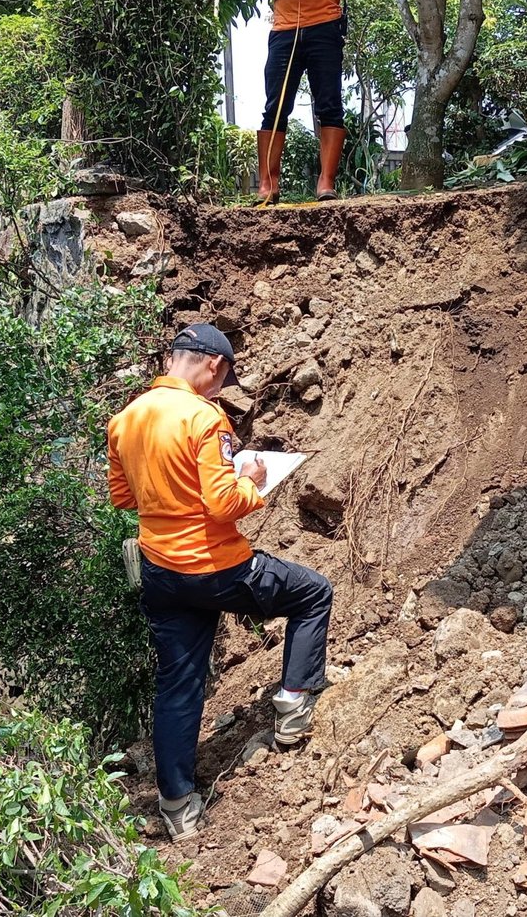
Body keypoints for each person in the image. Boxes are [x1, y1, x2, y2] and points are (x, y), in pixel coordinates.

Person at [106, 324, 334, 842]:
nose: (220, 388)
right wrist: (252, 480)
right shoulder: (204, 417)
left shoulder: (125, 419)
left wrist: (169, 494)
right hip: (215, 566)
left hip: (161, 572)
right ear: (214, 365)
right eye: (222, 378)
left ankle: (177, 806)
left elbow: (123, 497)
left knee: (178, 684)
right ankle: (293, 705)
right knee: (312, 592)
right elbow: (224, 503)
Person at [244, 0, 350, 203]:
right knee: (275, 108)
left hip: (325, 25)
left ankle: (326, 182)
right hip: (284, 30)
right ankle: (268, 185)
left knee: (330, 106)